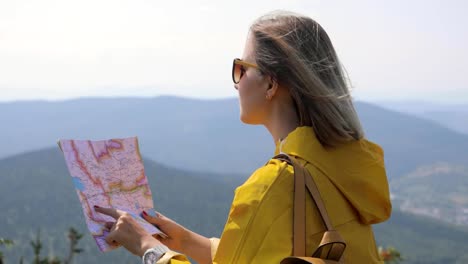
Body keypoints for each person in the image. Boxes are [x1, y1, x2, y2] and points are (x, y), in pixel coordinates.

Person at [95, 10, 392, 264]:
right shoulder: (344, 167)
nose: (236, 83)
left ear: (270, 84)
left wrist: (150, 249)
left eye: (241, 68)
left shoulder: (273, 187)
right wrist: (184, 241)